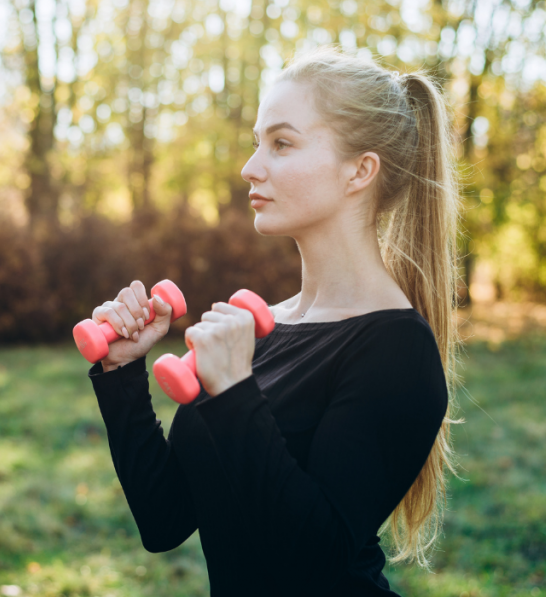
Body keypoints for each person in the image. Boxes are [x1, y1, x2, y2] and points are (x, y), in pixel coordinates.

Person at [86, 45, 462, 596]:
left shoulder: (396, 350)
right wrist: (121, 372)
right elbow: (164, 520)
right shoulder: (263, 327)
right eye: (257, 143)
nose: (250, 167)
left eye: (281, 144)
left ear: (360, 170)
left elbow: (313, 560)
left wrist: (235, 392)